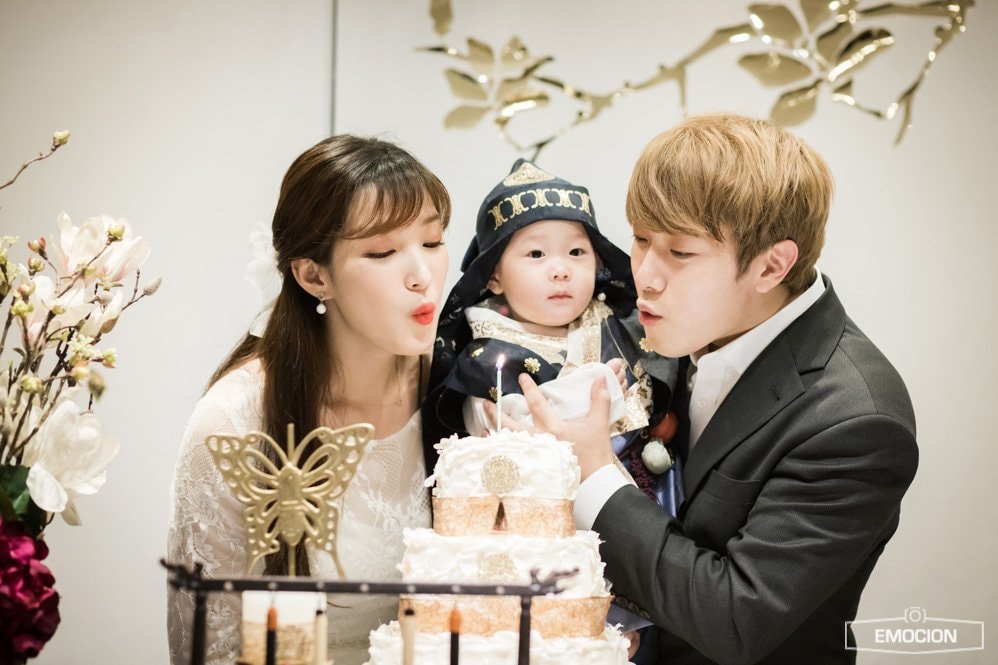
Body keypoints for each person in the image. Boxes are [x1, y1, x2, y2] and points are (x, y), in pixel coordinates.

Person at [514, 113, 919, 664]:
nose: (645, 275)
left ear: (772, 266)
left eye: (680, 253)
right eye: (640, 239)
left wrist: (593, 474)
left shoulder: (856, 421)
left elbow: (734, 617)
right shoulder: (660, 326)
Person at [166, 135, 451, 665]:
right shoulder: (234, 424)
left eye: (432, 242)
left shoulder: (461, 386)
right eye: (383, 252)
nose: (422, 276)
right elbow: (211, 649)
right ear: (314, 275)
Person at [421, 158, 681, 516]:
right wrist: (597, 384)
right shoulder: (483, 356)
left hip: (646, 503)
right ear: (493, 276)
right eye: (536, 254)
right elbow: (510, 426)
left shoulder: (622, 323)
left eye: (576, 252)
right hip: (542, 514)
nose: (560, 270)